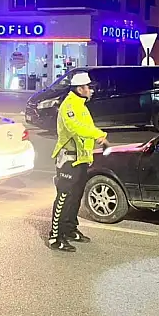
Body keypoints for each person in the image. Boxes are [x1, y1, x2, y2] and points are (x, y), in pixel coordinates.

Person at [48, 72, 110, 252]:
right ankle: (55, 236)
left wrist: (91, 152)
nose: (91, 90)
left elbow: (88, 129)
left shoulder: (82, 106)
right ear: (79, 88)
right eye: (88, 87)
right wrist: (100, 136)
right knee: (63, 197)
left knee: (75, 198)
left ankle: (69, 229)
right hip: (68, 159)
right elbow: (77, 128)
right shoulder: (69, 106)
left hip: (80, 160)